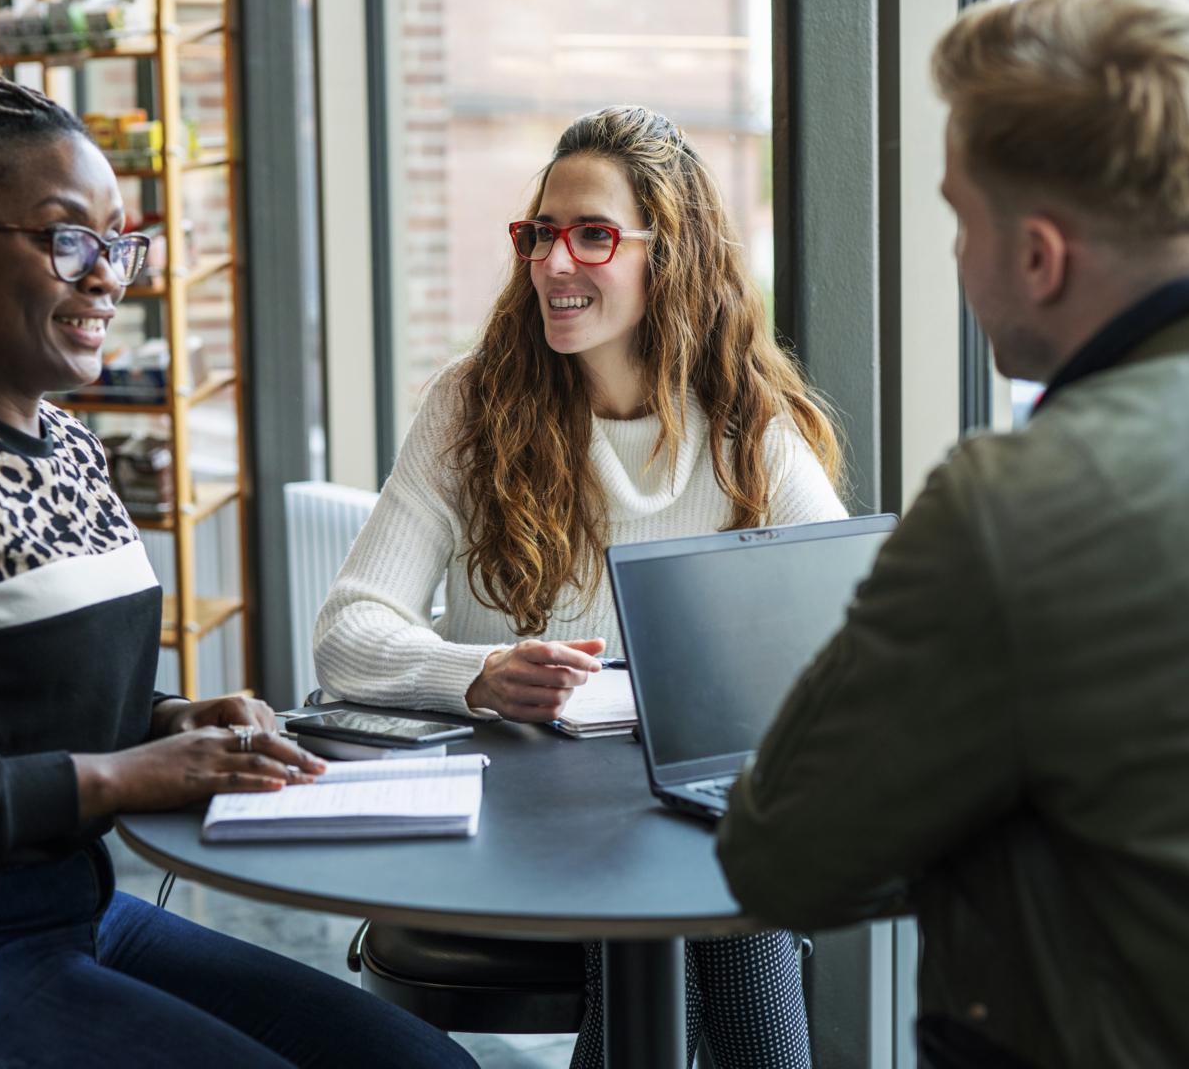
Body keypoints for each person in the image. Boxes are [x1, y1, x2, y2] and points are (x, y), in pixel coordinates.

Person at [717, 0, 1189, 1069]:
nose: (957, 257)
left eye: (961, 218)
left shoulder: (1013, 503)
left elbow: (781, 861)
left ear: (1039, 257)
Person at [0, 71, 478, 1069]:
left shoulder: (67, 446)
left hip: (69, 916)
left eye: (119, 242)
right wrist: (118, 777)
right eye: (66, 237)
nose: (108, 277)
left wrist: (170, 720)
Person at [315, 105, 844, 1069]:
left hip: (664, 811)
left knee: (697, 858)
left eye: (594, 235)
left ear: (669, 255)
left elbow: (841, 633)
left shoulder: (749, 427)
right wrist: (479, 674)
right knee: (695, 882)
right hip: (513, 813)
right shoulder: (470, 404)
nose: (556, 264)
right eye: (540, 235)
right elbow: (349, 630)